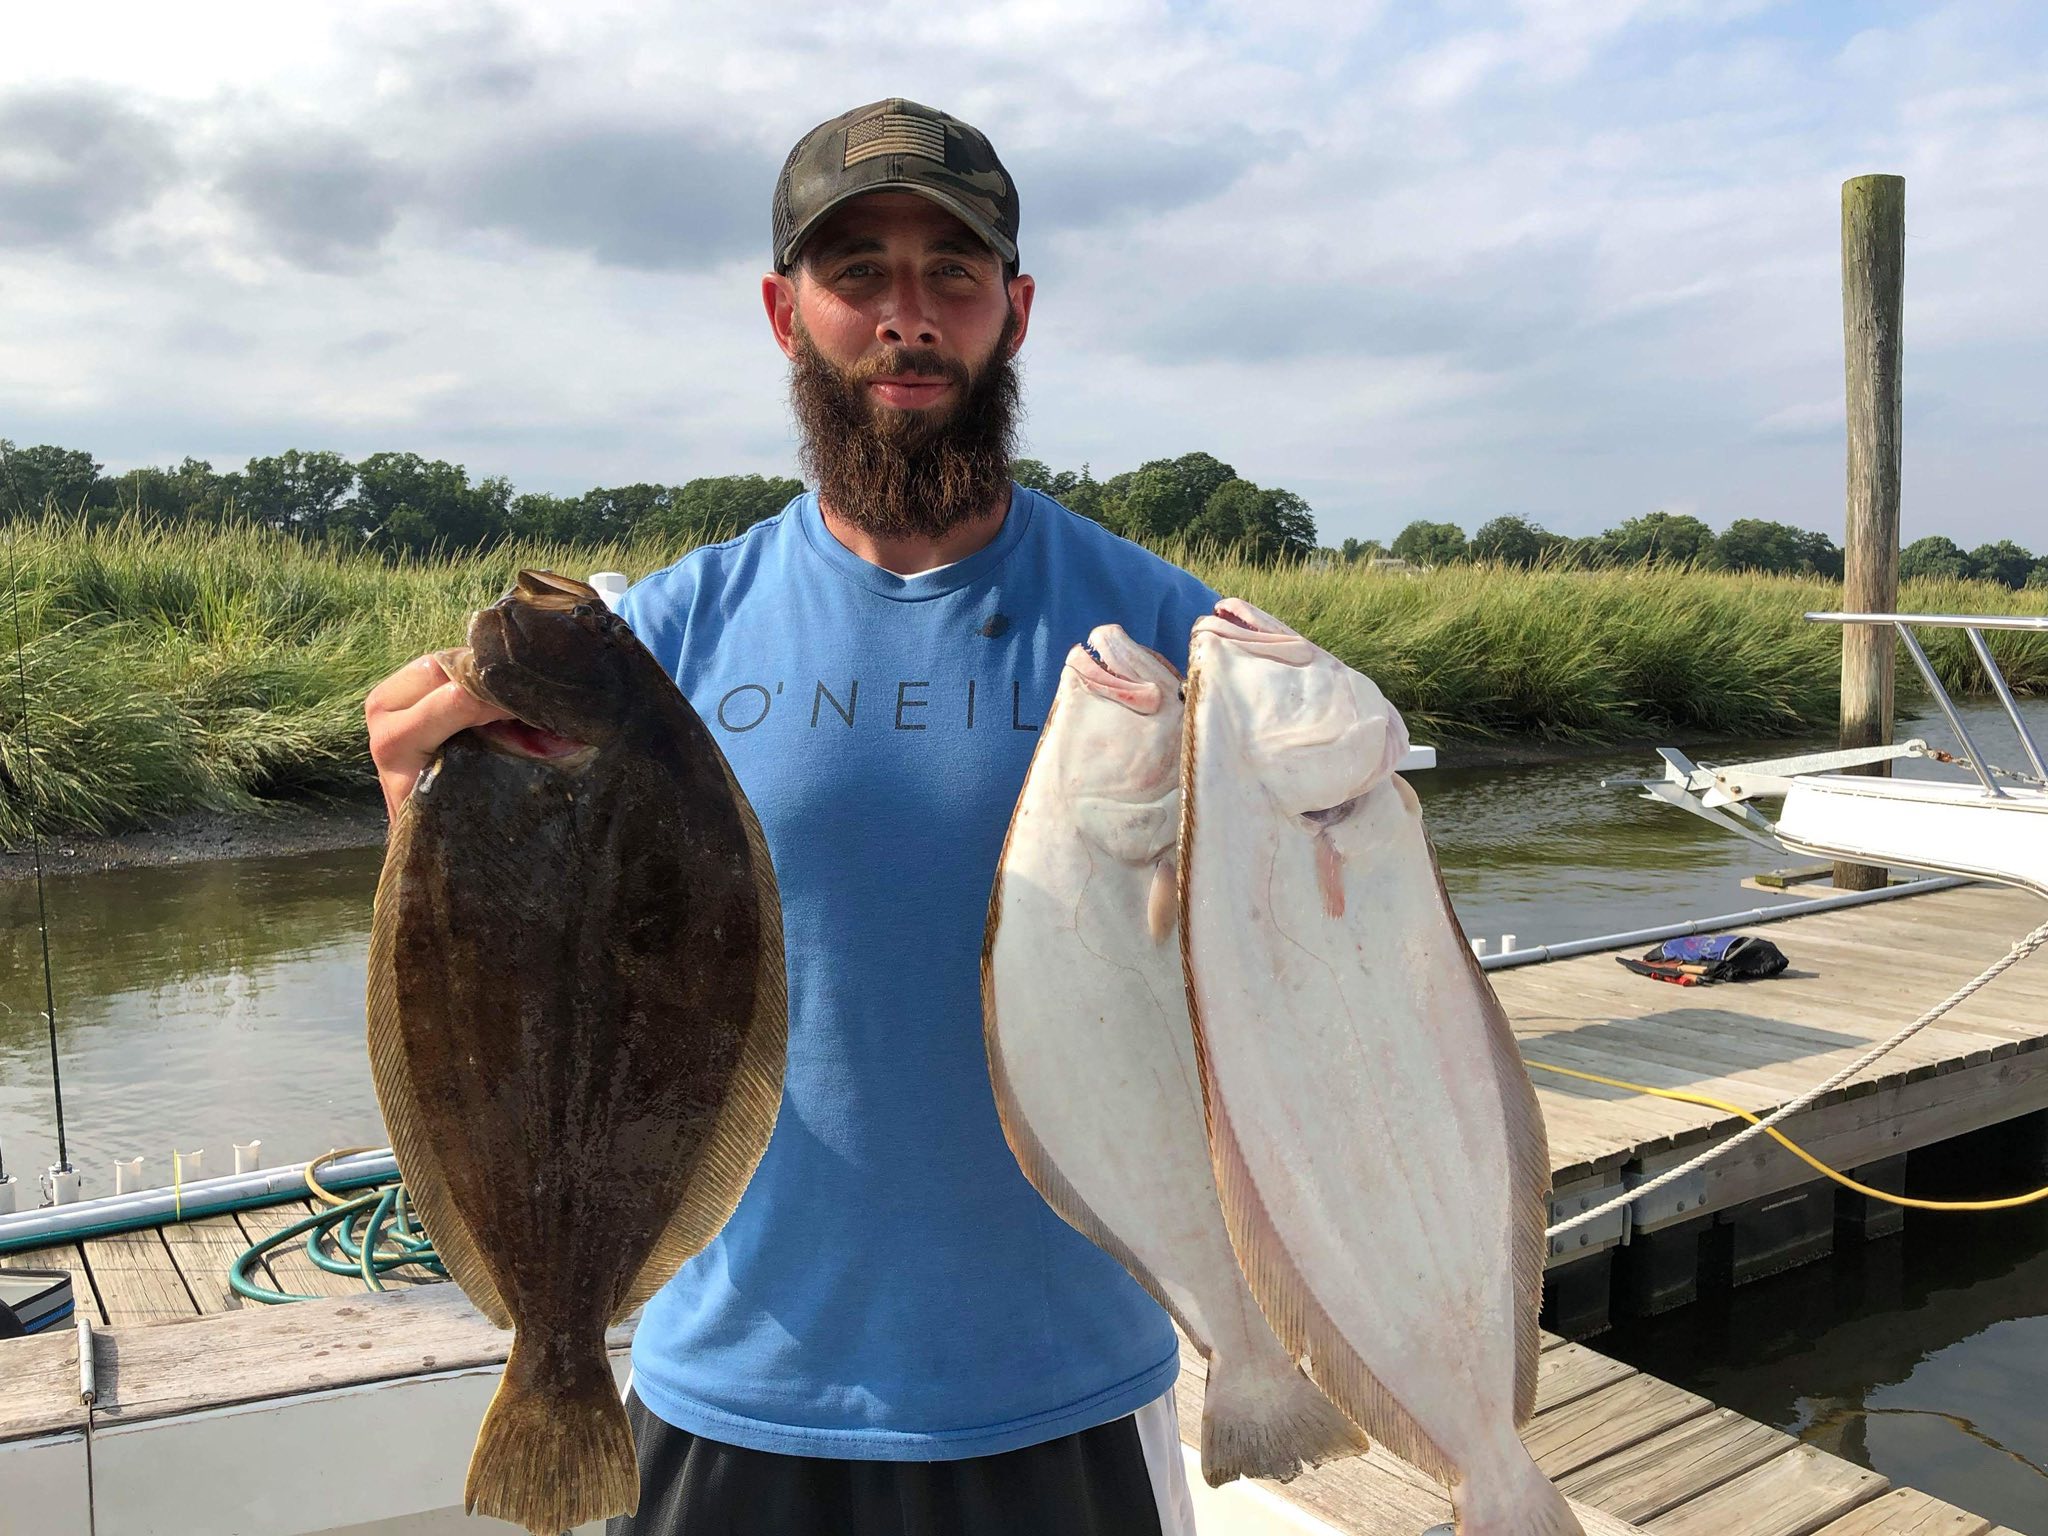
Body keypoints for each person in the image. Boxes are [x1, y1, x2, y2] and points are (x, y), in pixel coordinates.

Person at [365, 98, 1220, 1535]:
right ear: (784, 311)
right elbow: (508, 1004)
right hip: (729, 1389)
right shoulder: (660, 643)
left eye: (953, 275)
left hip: (1068, 1389)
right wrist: (427, 817)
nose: (908, 317)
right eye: (858, 274)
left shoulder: (1167, 635)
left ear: (1016, 313)